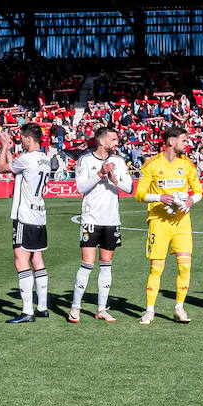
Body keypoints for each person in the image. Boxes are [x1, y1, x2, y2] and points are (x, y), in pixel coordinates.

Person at [134, 125, 203, 324]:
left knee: (185, 268)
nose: (186, 143)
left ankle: (179, 308)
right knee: (156, 268)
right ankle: (149, 310)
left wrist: (191, 200)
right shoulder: (151, 165)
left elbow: (199, 191)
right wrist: (159, 197)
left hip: (182, 222)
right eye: (184, 140)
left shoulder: (188, 164)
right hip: (159, 222)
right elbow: (139, 195)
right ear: (171, 142)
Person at [69, 126, 133, 323]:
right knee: (87, 264)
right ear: (102, 141)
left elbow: (130, 188)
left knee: (106, 266)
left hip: (111, 220)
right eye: (113, 139)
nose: (117, 142)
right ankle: (75, 307)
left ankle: (101, 309)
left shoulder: (119, 162)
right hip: (91, 219)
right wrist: (99, 174)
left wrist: (114, 180)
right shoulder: (86, 160)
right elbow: (80, 187)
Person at [0, 123, 54, 323]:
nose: (20, 140)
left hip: (24, 216)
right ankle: (42, 307)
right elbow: (18, 169)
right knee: (37, 259)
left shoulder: (26, 159)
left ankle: (27, 311)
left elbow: (2, 168)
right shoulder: (45, 159)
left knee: (21, 259)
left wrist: (4, 147)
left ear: (29, 138)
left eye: (22, 138)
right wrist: (13, 153)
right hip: (39, 215)